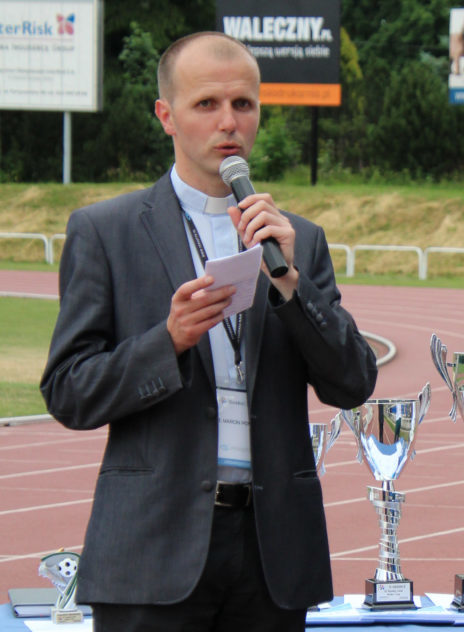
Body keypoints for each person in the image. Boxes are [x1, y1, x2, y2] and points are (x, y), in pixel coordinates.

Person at [40, 31, 378, 631]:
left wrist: (291, 287)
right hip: (151, 547)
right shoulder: (106, 231)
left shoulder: (298, 240)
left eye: (243, 104)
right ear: (165, 116)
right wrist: (166, 341)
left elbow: (352, 382)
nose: (229, 122)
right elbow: (69, 391)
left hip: (272, 552)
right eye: (206, 104)